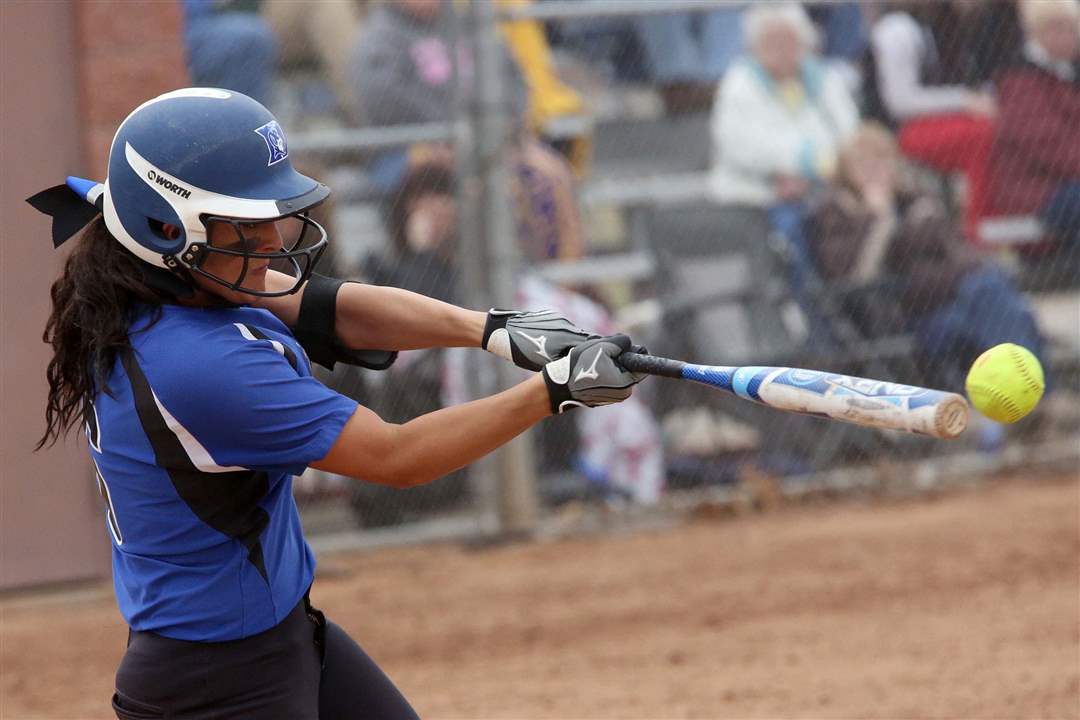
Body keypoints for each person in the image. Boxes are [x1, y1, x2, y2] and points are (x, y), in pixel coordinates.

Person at [28, 88, 644, 719]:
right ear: (167, 227)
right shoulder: (200, 366)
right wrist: (554, 392)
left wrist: (491, 329)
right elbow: (399, 456)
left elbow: (330, 306)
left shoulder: (174, 283)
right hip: (215, 687)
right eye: (244, 220)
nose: (270, 238)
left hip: (274, 640)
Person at [806, 123, 1047, 406]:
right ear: (846, 170)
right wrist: (881, 221)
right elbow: (858, 277)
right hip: (901, 314)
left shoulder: (915, 201)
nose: (875, 171)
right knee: (993, 297)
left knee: (1000, 300)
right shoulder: (836, 214)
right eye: (863, 163)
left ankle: (1024, 401)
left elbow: (954, 250)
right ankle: (1033, 399)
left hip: (954, 296)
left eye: (882, 160)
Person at [709, 1, 859, 314]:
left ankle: (853, 316)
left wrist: (815, 172)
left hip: (825, 191)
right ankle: (808, 320)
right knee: (793, 237)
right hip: (760, 197)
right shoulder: (739, 83)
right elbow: (741, 146)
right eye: (772, 41)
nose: (782, 49)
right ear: (755, 46)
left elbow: (850, 136)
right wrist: (801, 164)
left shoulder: (823, 79)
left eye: (789, 40)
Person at [863, 1, 1002, 239]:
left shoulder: (945, 25)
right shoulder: (897, 28)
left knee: (1002, 128)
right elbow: (900, 102)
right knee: (982, 135)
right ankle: (979, 230)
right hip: (898, 131)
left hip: (940, 121)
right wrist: (963, 100)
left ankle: (995, 220)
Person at [987, 0, 1080, 265]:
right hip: (1041, 191)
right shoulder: (1021, 79)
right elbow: (1050, 146)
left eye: (1073, 28)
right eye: (1063, 28)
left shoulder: (1066, 73)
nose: (1072, 36)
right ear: (1040, 32)